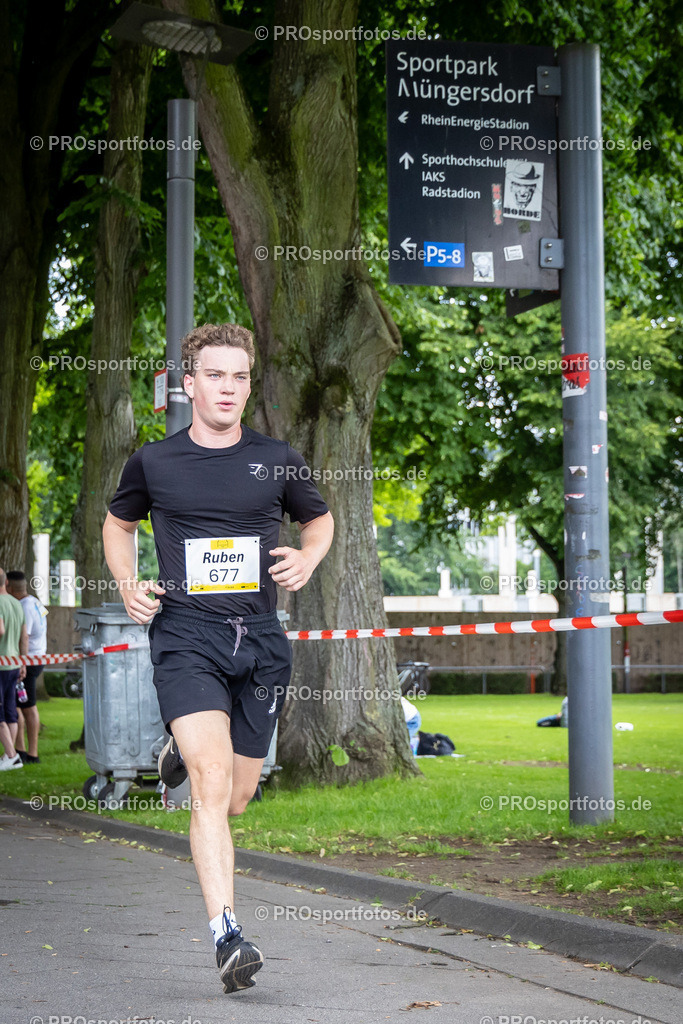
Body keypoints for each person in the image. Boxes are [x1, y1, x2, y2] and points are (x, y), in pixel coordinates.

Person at [103, 323, 334, 994]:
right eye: (215, 375)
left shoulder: (278, 459)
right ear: (189, 382)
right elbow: (117, 525)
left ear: (247, 383)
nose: (227, 387)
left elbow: (318, 522)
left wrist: (308, 556)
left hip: (259, 643)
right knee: (206, 784)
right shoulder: (155, 462)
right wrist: (126, 583)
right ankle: (227, 935)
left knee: (233, 799)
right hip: (185, 636)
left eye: (239, 376)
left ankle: (172, 749)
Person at [6, 570, 48, 763]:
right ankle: (21, 750)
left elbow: (25, 635)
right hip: (37, 658)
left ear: (9, 586)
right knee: (21, 706)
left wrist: (20, 663)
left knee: (27, 707)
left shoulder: (23, 607)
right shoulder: (35, 602)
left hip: (28, 661)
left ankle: (31, 753)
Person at [0, 568, 28, 770]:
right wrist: (23, 661)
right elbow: (24, 636)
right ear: (6, 583)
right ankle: (12, 754)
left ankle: (11, 755)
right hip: (14, 663)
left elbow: (0, 630)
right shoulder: (16, 603)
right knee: (10, 711)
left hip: (1, 664)